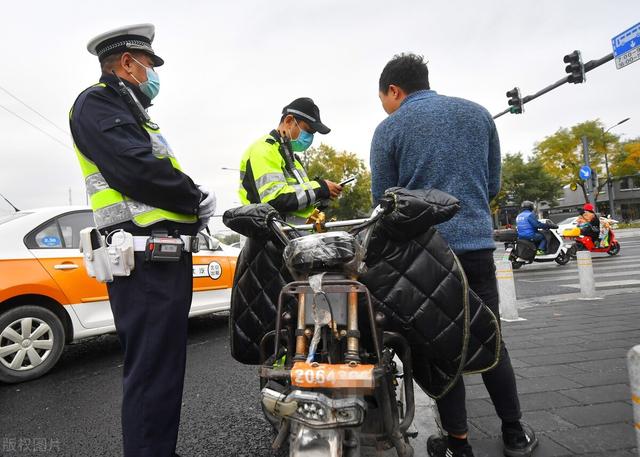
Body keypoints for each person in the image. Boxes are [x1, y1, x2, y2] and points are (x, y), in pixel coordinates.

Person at [370, 53, 537, 457]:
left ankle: (458, 443)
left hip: (423, 257)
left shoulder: (389, 129)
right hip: (477, 246)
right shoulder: (480, 116)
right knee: (490, 336)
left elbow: (384, 201)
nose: (384, 106)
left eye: (383, 98)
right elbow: (492, 182)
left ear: (394, 90)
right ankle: (514, 433)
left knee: (440, 347)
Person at [69, 24, 215, 457]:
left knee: (162, 374)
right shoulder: (97, 102)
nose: (154, 73)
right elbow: (135, 169)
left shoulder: (131, 110)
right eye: (149, 64)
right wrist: (195, 196)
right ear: (128, 63)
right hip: (143, 261)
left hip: (160, 260)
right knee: (153, 375)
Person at [238, 98, 342, 219]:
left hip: (291, 235)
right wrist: (320, 188)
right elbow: (274, 200)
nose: (309, 138)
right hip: (269, 235)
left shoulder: (293, 158)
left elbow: (296, 201)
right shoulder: (264, 149)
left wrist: (322, 196)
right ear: (288, 121)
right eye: (308, 130)